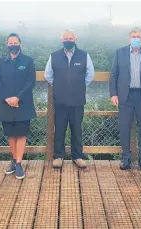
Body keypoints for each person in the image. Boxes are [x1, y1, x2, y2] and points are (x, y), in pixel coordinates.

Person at [109, 27, 141, 170]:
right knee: (124, 127)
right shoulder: (120, 52)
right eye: (133, 36)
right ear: (129, 38)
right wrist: (113, 94)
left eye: (138, 36)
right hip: (125, 95)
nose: (135, 39)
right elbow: (113, 75)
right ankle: (125, 158)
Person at [44, 29, 95, 169]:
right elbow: (48, 75)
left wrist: (77, 86)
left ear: (75, 39)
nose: (68, 41)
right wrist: (61, 86)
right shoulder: (54, 56)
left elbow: (90, 75)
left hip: (77, 100)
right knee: (59, 129)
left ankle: (77, 156)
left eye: (70, 39)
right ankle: (59, 157)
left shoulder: (84, 56)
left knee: (77, 129)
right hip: (60, 100)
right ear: (61, 40)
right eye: (66, 39)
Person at [0, 33, 36, 179]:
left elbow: (31, 82)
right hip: (5, 104)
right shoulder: (1, 62)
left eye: (15, 42)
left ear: (20, 43)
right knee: (11, 135)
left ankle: (19, 163)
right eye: (10, 43)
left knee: (21, 134)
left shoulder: (28, 61)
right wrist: (7, 99)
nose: (13, 45)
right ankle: (13, 160)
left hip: (23, 104)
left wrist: (17, 98)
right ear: (7, 45)